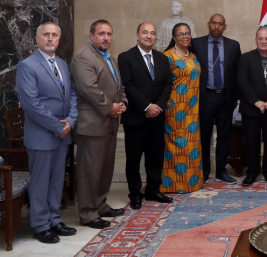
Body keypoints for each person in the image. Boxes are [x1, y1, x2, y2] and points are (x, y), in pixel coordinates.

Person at [15, 23, 78, 244]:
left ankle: (54, 220)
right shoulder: (28, 66)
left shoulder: (61, 64)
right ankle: (41, 226)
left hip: (62, 135)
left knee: (57, 180)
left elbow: (71, 97)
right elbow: (31, 104)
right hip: (42, 135)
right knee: (41, 182)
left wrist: (70, 121)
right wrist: (58, 126)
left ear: (59, 39)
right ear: (37, 38)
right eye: (46, 35)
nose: (50, 38)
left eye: (54, 35)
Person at [71, 20, 127, 229]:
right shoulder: (83, 57)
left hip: (109, 122)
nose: (106, 38)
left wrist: (123, 104)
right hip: (92, 124)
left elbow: (119, 87)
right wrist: (110, 107)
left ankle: (100, 205)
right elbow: (89, 89)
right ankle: (87, 213)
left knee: (105, 169)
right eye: (102, 34)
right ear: (91, 35)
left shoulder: (109, 58)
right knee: (89, 170)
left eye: (109, 34)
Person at [118, 23, 173, 210]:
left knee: (155, 156)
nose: (149, 36)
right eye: (145, 32)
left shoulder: (162, 58)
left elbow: (168, 84)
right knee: (133, 158)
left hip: (157, 116)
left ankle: (153, 190)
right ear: (137, 35)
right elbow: (128, 85)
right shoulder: (126, 57)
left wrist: (158, 106)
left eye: (152, 33)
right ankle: (134, 194)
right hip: (135, 117)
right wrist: (147, 106)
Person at [192, 14, 241, 183]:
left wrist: (236, 98)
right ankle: (204, 170)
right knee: (204, 136)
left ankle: (221, 170)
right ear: (208, 24)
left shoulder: (233, 46)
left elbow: (236, 74)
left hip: (225, 98)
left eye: (220, 24)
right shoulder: (196, 44)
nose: (216, 27)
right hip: (206, 97)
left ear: (224, 27)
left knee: (224, 136)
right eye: (214, 23)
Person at [237, 27, 267, 187]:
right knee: (251, 142)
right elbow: (242, 82)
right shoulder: (245, 58)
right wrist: (256, 101)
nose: (264, 41)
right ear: (256, 40)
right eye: (261, 38)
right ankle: (252, 173)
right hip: (251, 109)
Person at [159, 23, 203, 194]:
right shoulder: (167, 57)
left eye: (187, 33)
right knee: (176, 145)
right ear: (174, 37)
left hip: (193, 110)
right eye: (180, 34)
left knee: (191, 145)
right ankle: (172, 184)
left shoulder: (192, 55)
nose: (185, 37)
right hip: (174, 108)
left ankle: (191, 182)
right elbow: (161, 83)